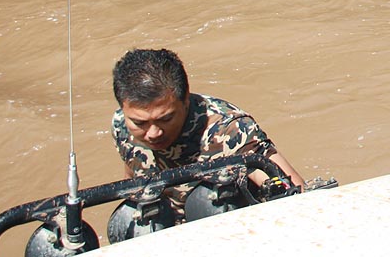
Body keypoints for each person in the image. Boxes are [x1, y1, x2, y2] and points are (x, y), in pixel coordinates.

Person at [111, 48, 305, 208]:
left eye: (166, 119)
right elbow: (133, 179)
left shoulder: (230, 130)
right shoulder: (121, 124)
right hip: (167, 226)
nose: (153, 133)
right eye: (140, 123)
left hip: (224, 223)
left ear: (185, 101)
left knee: (206, 206)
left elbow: (298, 196)